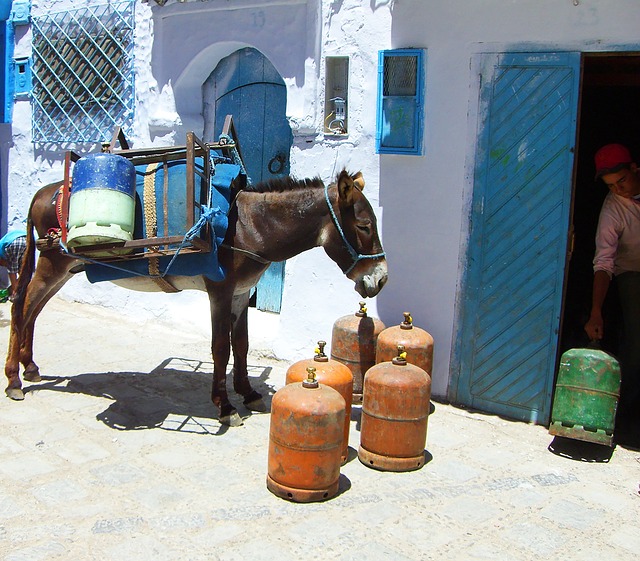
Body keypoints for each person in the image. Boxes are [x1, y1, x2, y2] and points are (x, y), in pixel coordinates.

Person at [584, 143, 640, 436]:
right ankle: (627, 417)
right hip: (632, 272)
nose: (619, 190)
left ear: (634, 169)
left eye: (622, 181)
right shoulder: (612, 209)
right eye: (611, 186)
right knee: (636, 343)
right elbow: (604, 263)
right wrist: (596, 311)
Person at [0, 230, 27, 300]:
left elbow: (12, 272)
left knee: (12, 270)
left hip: (15, 242)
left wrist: (14, 289)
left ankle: (15, 294)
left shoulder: (2, 252)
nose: (3, 266)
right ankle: (22, 292)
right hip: (28, 240)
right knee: (24, 271)